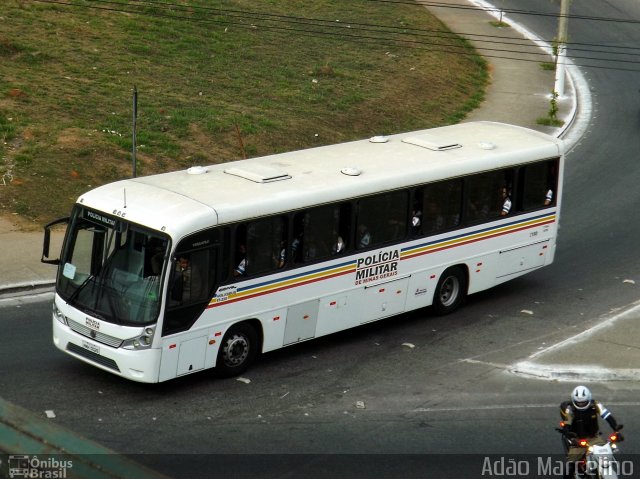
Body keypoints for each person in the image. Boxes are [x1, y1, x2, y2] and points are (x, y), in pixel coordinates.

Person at [559, 385, 623, 479]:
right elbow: (567, 423)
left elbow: (608, 417)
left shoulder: (596, 405)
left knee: (605, 454)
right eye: (578, 402)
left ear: (588, 399)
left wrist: (616, 429)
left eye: (583, 402)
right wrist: (569, 434)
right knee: (571, 465)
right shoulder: (570, 409)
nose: (581, 404)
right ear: (574, 400)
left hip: (594, 438)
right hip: (578, 440)